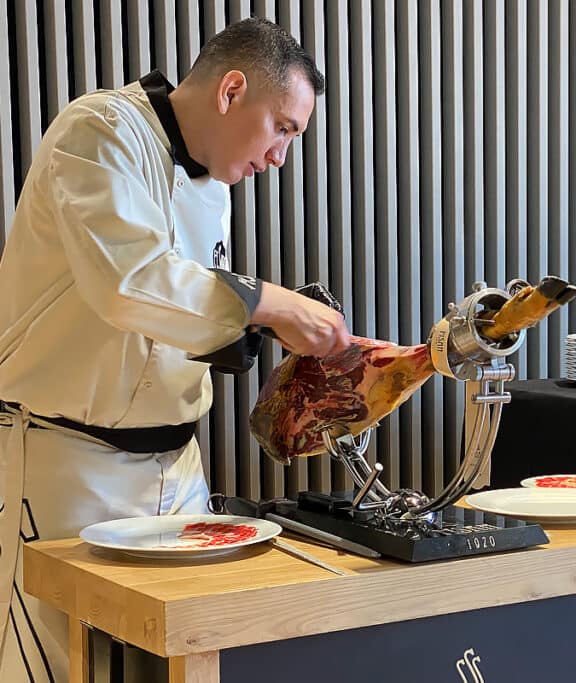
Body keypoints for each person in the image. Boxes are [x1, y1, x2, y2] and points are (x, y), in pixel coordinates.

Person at [0, 17, 349, 681]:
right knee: (59, 667)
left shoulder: (214, 181)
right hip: (69, 468)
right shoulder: (98, 132)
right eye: (284, 128)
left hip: (179, 473)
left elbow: (180, 318)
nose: (281, 156)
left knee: (185, 666)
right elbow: (130, 284)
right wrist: (269, 302)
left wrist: (269, 331)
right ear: (231, 91)